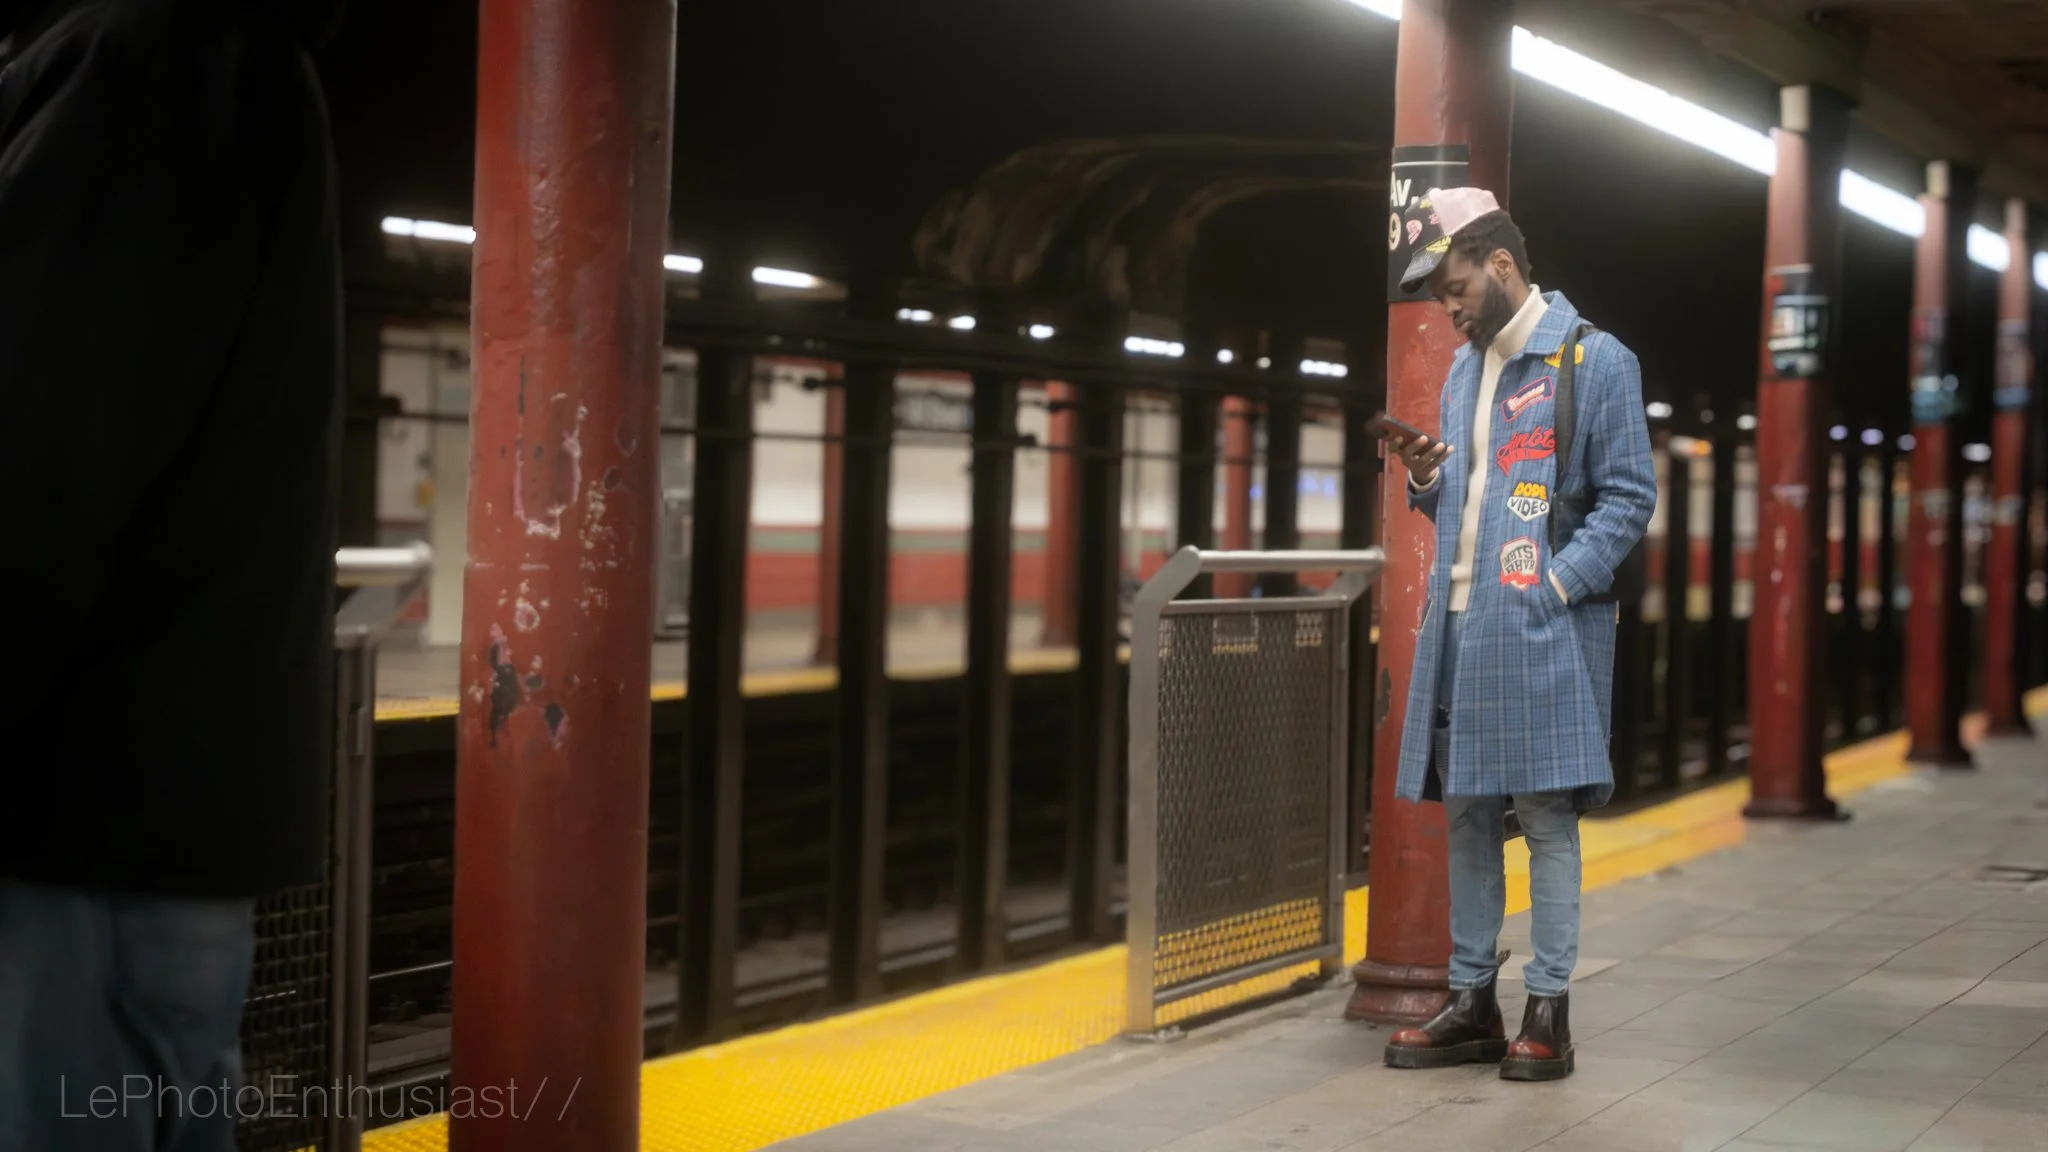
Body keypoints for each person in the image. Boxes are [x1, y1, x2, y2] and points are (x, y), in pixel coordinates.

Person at [0, 1, 344, 1148]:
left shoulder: (134, 65)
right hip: (156, 805)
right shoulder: (214, 59)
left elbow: (37, 451)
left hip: (74, 807)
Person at [1375, 187, 1655, 1082]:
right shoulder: (1464, 374)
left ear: (1501, 264)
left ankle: (1548, 1011)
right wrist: (1428, 481)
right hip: (1459, 625)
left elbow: (1629, 497)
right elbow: (1466, 509)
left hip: (1539, 626)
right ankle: (1472, 1003)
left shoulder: (1595, 360)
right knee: (1466, 816)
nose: (1449, 311)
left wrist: (1555, 589)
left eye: (1455, 289)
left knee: (1544, 819)